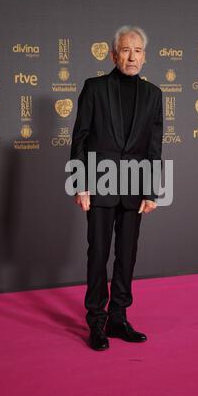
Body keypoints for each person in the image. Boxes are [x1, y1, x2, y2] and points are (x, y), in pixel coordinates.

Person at [70, 25, 163, 350]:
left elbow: (154, 146)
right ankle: (96, 320)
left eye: (137, 50)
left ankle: (118, 317)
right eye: (125, 50)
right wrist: (79, 185)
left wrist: (153, 191)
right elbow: (80, 137)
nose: (131, 56)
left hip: (135, 186)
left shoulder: (154, 94)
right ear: (114, 54)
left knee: (127, 254)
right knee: (98, 253)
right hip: (99, 182)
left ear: (145, 56)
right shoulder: (94, 88)